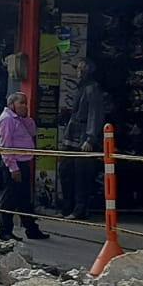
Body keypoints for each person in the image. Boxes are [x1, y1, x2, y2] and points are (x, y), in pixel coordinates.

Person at [0, 92, 49, 241]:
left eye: (26, 103)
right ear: (12, 104)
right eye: (21, 103)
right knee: (10, 199)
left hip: (24, 162)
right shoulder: (6, 120)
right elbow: (5, 146)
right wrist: (13, 168)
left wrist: (25, 117)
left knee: (25, 199)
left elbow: (32, 131)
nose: (24, 106)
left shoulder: (19, 119)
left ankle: (31, 229)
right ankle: (5, 230)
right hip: (14, 164)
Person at [60, 58, 104, 220]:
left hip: (83, 136)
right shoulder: (81, 88)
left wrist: (90, 138)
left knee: (81, 175)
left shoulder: (92, 89)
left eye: (81, 69)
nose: (78, 72)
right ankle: (67, 206)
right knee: (66, 171)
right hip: (72, 135)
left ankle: (79, 209)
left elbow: (95, 114)